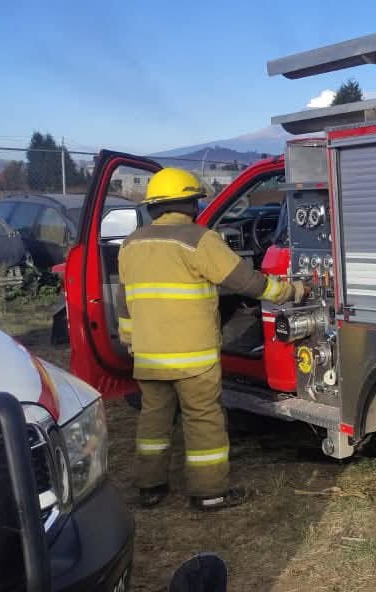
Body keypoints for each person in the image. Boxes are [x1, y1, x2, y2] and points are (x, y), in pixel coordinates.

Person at [116, 168, 305, 511]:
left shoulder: (131, 244)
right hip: (193, 357)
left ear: (154, 206)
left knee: (154, 421)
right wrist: (291, 290)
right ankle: (209, 493)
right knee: (203, 420)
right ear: (190, 203)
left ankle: (150, 487)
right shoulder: (199, 240)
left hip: (148, 356)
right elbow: (247, 283)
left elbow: (124, 300)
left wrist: (131, 340)